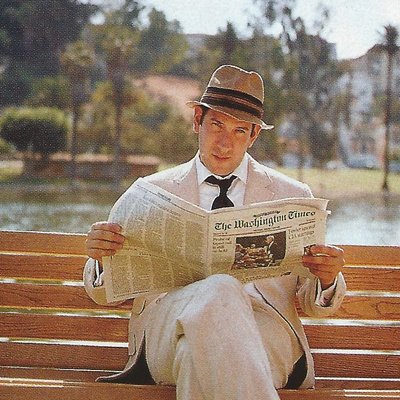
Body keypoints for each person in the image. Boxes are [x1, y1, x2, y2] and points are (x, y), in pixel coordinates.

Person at [84, 65, 346, 400]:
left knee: (194, 355)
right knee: (221, 288)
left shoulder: (292, 196)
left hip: (266, 332)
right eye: (217, 125)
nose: (225, 143)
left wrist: (327, 277)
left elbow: (316, 304)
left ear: (254, 135)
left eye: (239, 131)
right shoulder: (149, 193)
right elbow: (103, 295)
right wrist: (102, 258)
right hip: (169, 326)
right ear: (198, 121)